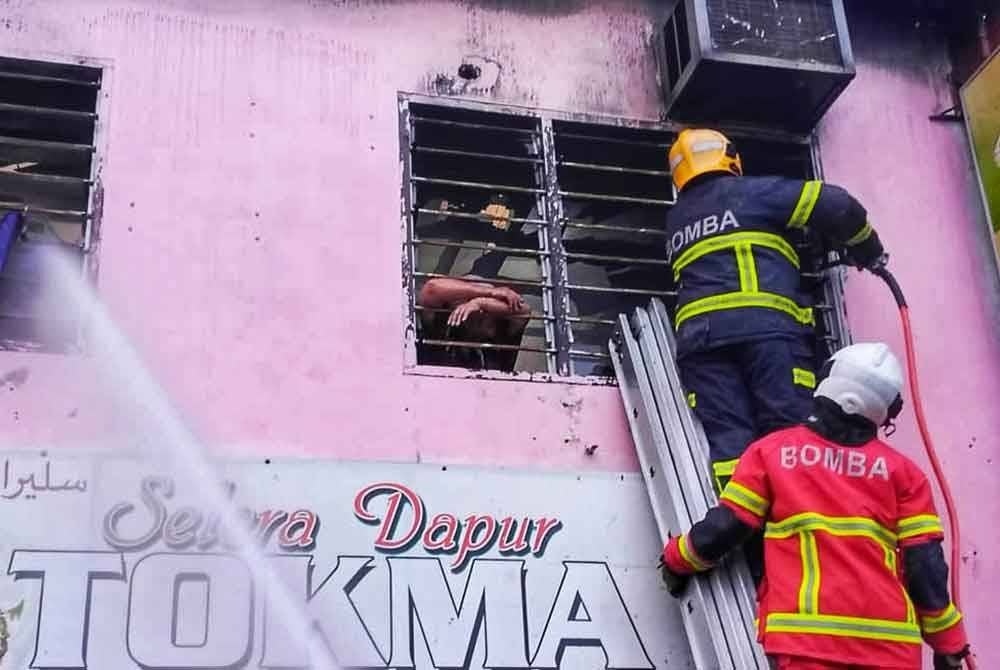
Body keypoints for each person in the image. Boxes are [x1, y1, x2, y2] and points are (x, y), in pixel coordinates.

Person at [658, 342, 972, 670]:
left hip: (806, 644)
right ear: (887, 411)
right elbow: (926, 570)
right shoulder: (905, 475)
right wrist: (949, 644)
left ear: (827, 380)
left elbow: (727, 527)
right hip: (892, 648)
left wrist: (676, 559)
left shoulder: (772, 452)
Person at [666, 128, 889, 497]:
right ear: (730, 156)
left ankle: (742, 531)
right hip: (767, 333)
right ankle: (797, 518)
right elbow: (837, 206)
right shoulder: (752, 193)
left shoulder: (675, 221)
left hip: (701, 345)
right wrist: (868, 249)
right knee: (787, 431)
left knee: (730, 442)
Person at [416, 275, 530, 372]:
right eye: (467, 311)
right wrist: (490, 293)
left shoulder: (501, 338)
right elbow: (430, 289)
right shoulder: (440, 332)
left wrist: (481, 303)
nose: (477, 316)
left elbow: (524, 312)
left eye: (485, 314)